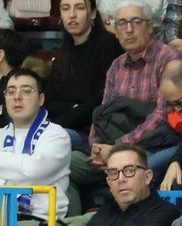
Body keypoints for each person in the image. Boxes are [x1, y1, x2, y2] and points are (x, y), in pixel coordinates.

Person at [0, 68, 72, 226]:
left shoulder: (57, 135)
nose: (17, 97)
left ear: (41, 99)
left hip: (35, 219)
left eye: (26, 91)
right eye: (11, 91)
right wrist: (16, 187)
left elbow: (33, 170)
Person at [86, 0, 181, 178]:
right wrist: (96, 147)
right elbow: (102, 113)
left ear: (151, 26)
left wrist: (117, 148)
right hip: (114, 149)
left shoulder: (169, 59)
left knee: (134, 172)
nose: (129, 30)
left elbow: (162, 116)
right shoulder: (116, 65)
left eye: (136, 22)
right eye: (122, 23)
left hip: (154, 147)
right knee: (67, 168)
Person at [46, 0, 124, 148]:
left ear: (93, 13)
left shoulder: (109, 46)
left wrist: (53, 125)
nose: (72, 15)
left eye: (79, 8)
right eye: (65, 8)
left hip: (92, 134)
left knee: (49, 138)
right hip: (60, 128)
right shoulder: (62, 53)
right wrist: (73, 106)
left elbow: (98, 103)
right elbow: (49, 101)